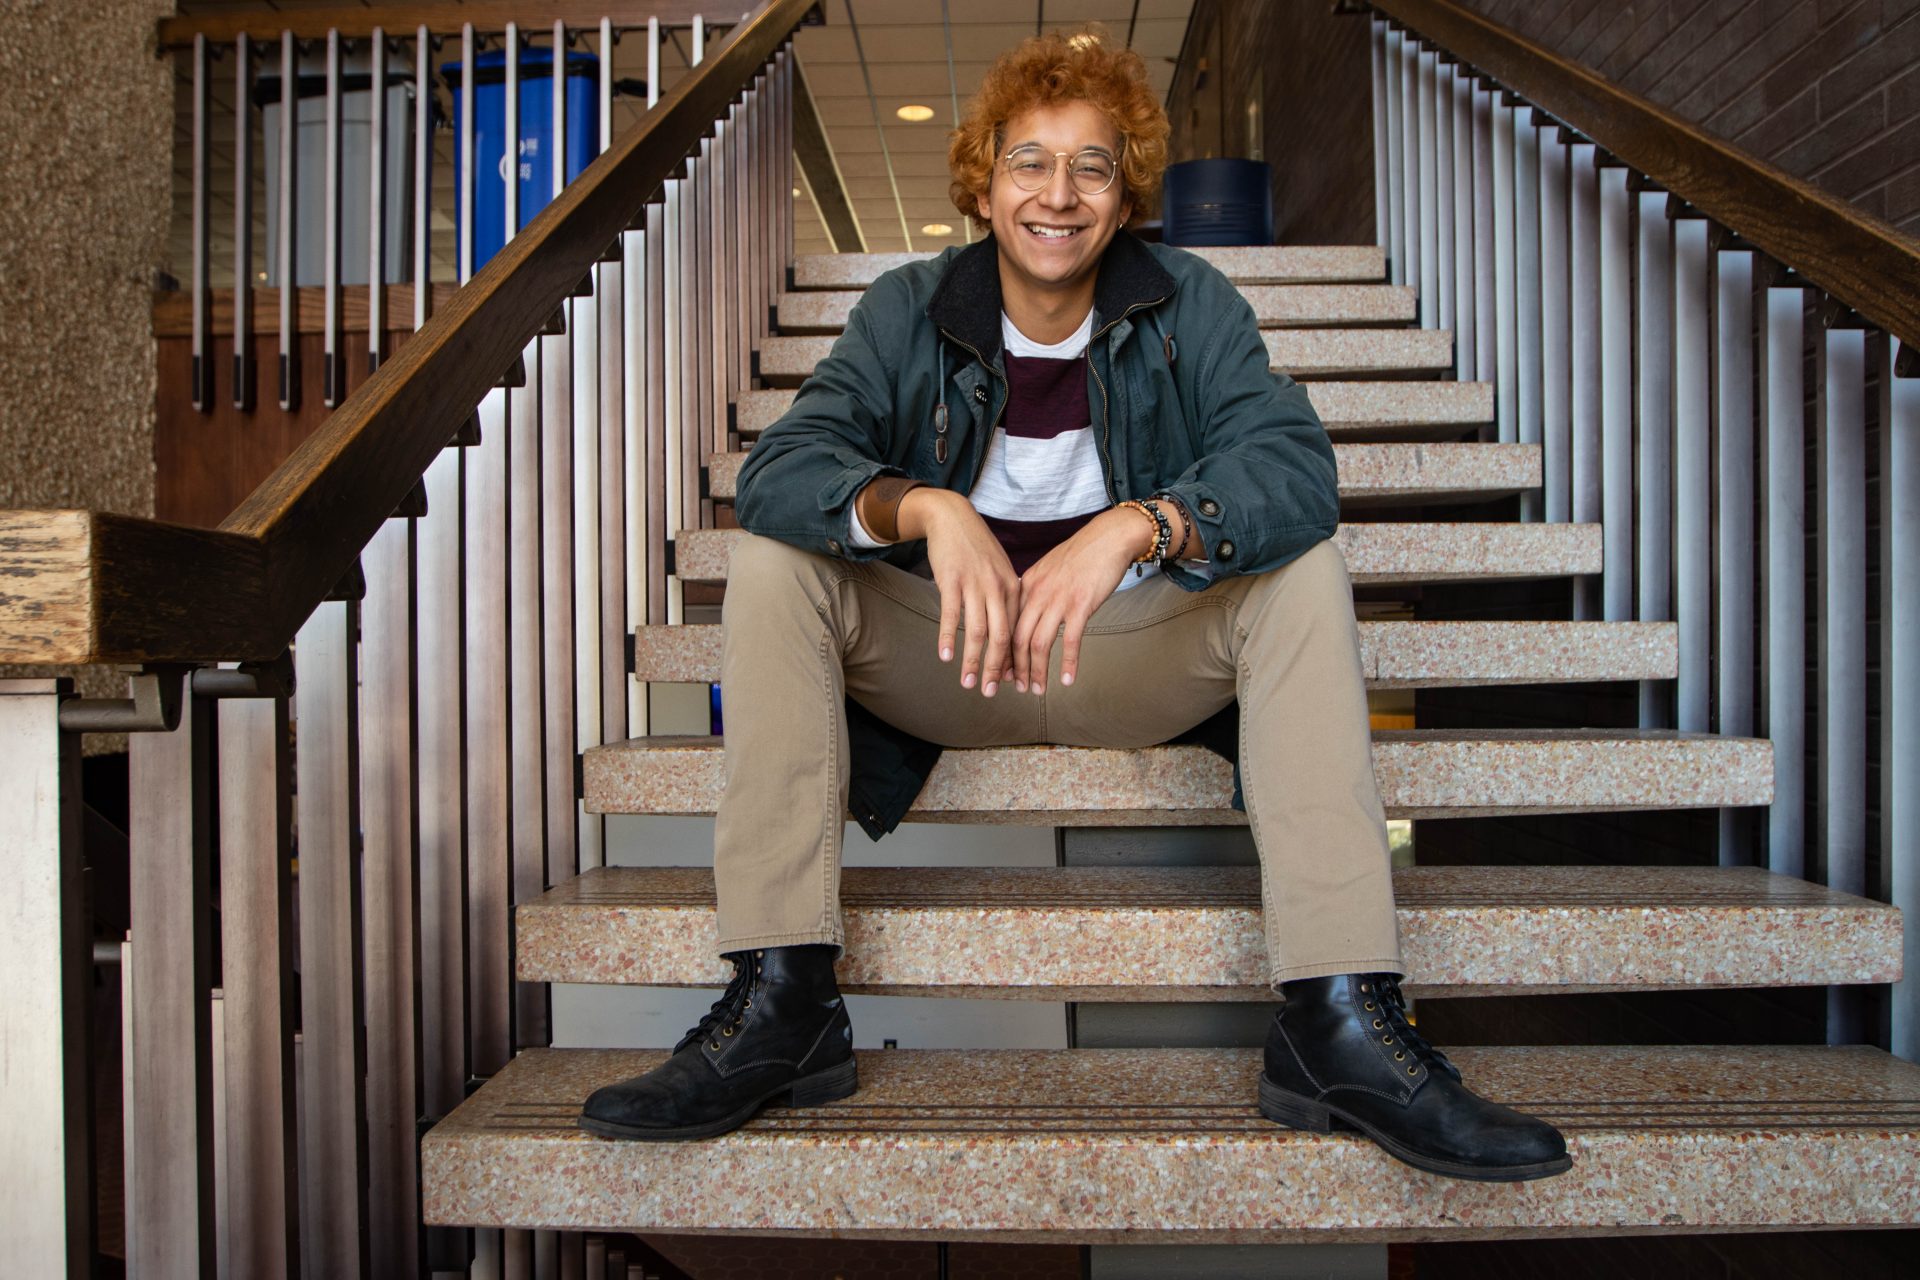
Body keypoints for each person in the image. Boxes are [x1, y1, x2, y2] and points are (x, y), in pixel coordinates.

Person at [580, 28, 1569, 1183]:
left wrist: (1143, 523)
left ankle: (1338, 1016)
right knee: (770, 562)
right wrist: (925, 511)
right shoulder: (907, 308)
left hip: (1129, 656)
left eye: (1092, 166)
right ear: (985, 184)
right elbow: (783, 469)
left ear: (1125, 190)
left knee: (1300, 571)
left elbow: (1295, 467)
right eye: (1031, 163)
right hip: (948, 657)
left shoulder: (1188, 303)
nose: (1059, 194)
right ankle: (782, 998)